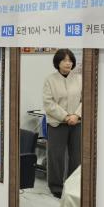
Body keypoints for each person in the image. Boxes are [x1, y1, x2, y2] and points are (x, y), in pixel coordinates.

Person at [42, 48, 82, 197]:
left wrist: (76, 115)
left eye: (70, 60)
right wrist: (66, 117)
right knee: (56, 157)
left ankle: (73, 186)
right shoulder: (50, 80)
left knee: (76, 157)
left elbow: (86, 99)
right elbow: (48, 103)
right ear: (58, 62)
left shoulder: (79, 79)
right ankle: (56, 187)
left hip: (76, 123)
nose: (68, 63)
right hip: (57, 124)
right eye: (64, 60)